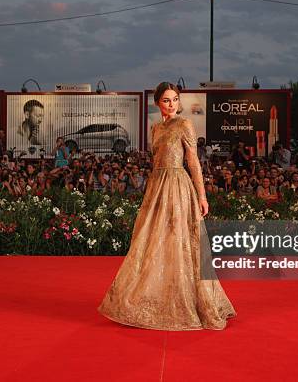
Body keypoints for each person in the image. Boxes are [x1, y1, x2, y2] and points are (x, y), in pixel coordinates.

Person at [98, 81, 236, 330]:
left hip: (178, 186)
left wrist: (202, 196)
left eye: (175, 100)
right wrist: (150, 191)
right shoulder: (155, 129)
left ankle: (188, 300)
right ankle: (157, 297)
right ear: (157, 103)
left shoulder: (184, 124)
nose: (171, 105)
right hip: (157, 187)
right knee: (152, 241)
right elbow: (155, 163)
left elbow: (193, 162)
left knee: (179, 240)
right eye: (166, 100)